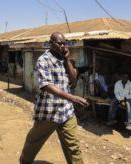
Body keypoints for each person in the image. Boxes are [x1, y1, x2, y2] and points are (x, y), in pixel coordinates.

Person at [20, 32, 89, 164]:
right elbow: (47, 86)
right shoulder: (43, 60)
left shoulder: (64, 60)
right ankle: (24, 160)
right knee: (34, 141)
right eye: (59, 43)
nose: (63, 46)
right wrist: (72, 98)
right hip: (48, 112)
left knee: (73, 146)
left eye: (65, 43)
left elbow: (73, 80)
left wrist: (68, 60)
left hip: (66, 111)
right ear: (51, 42)